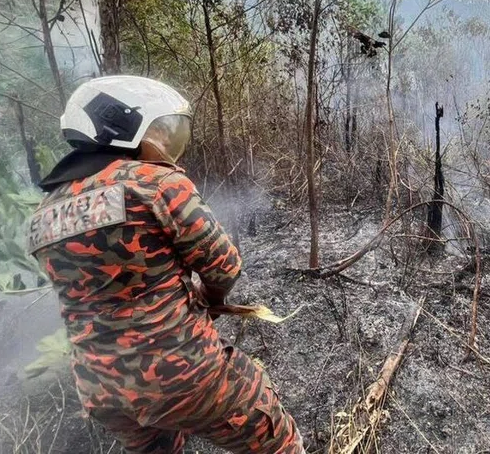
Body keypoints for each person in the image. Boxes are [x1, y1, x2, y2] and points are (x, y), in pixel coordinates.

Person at [28, 75, 303, 454]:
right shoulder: (153, 182)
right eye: (160, 131)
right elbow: (224, 267)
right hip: (183, 375)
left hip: (102, 390)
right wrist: (209, 297)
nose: (167, 143)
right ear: (123, 128)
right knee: (276, 438)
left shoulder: (42, 214)